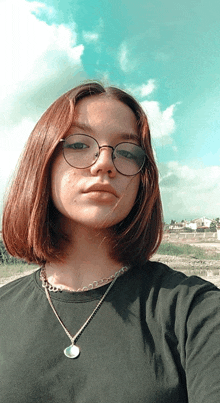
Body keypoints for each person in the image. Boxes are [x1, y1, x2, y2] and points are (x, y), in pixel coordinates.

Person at [0, 82, 220, 403]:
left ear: (142, 181)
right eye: (78, 144)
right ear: (42, 161)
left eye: (127, 152)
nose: (105, 163)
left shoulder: (196, 312)